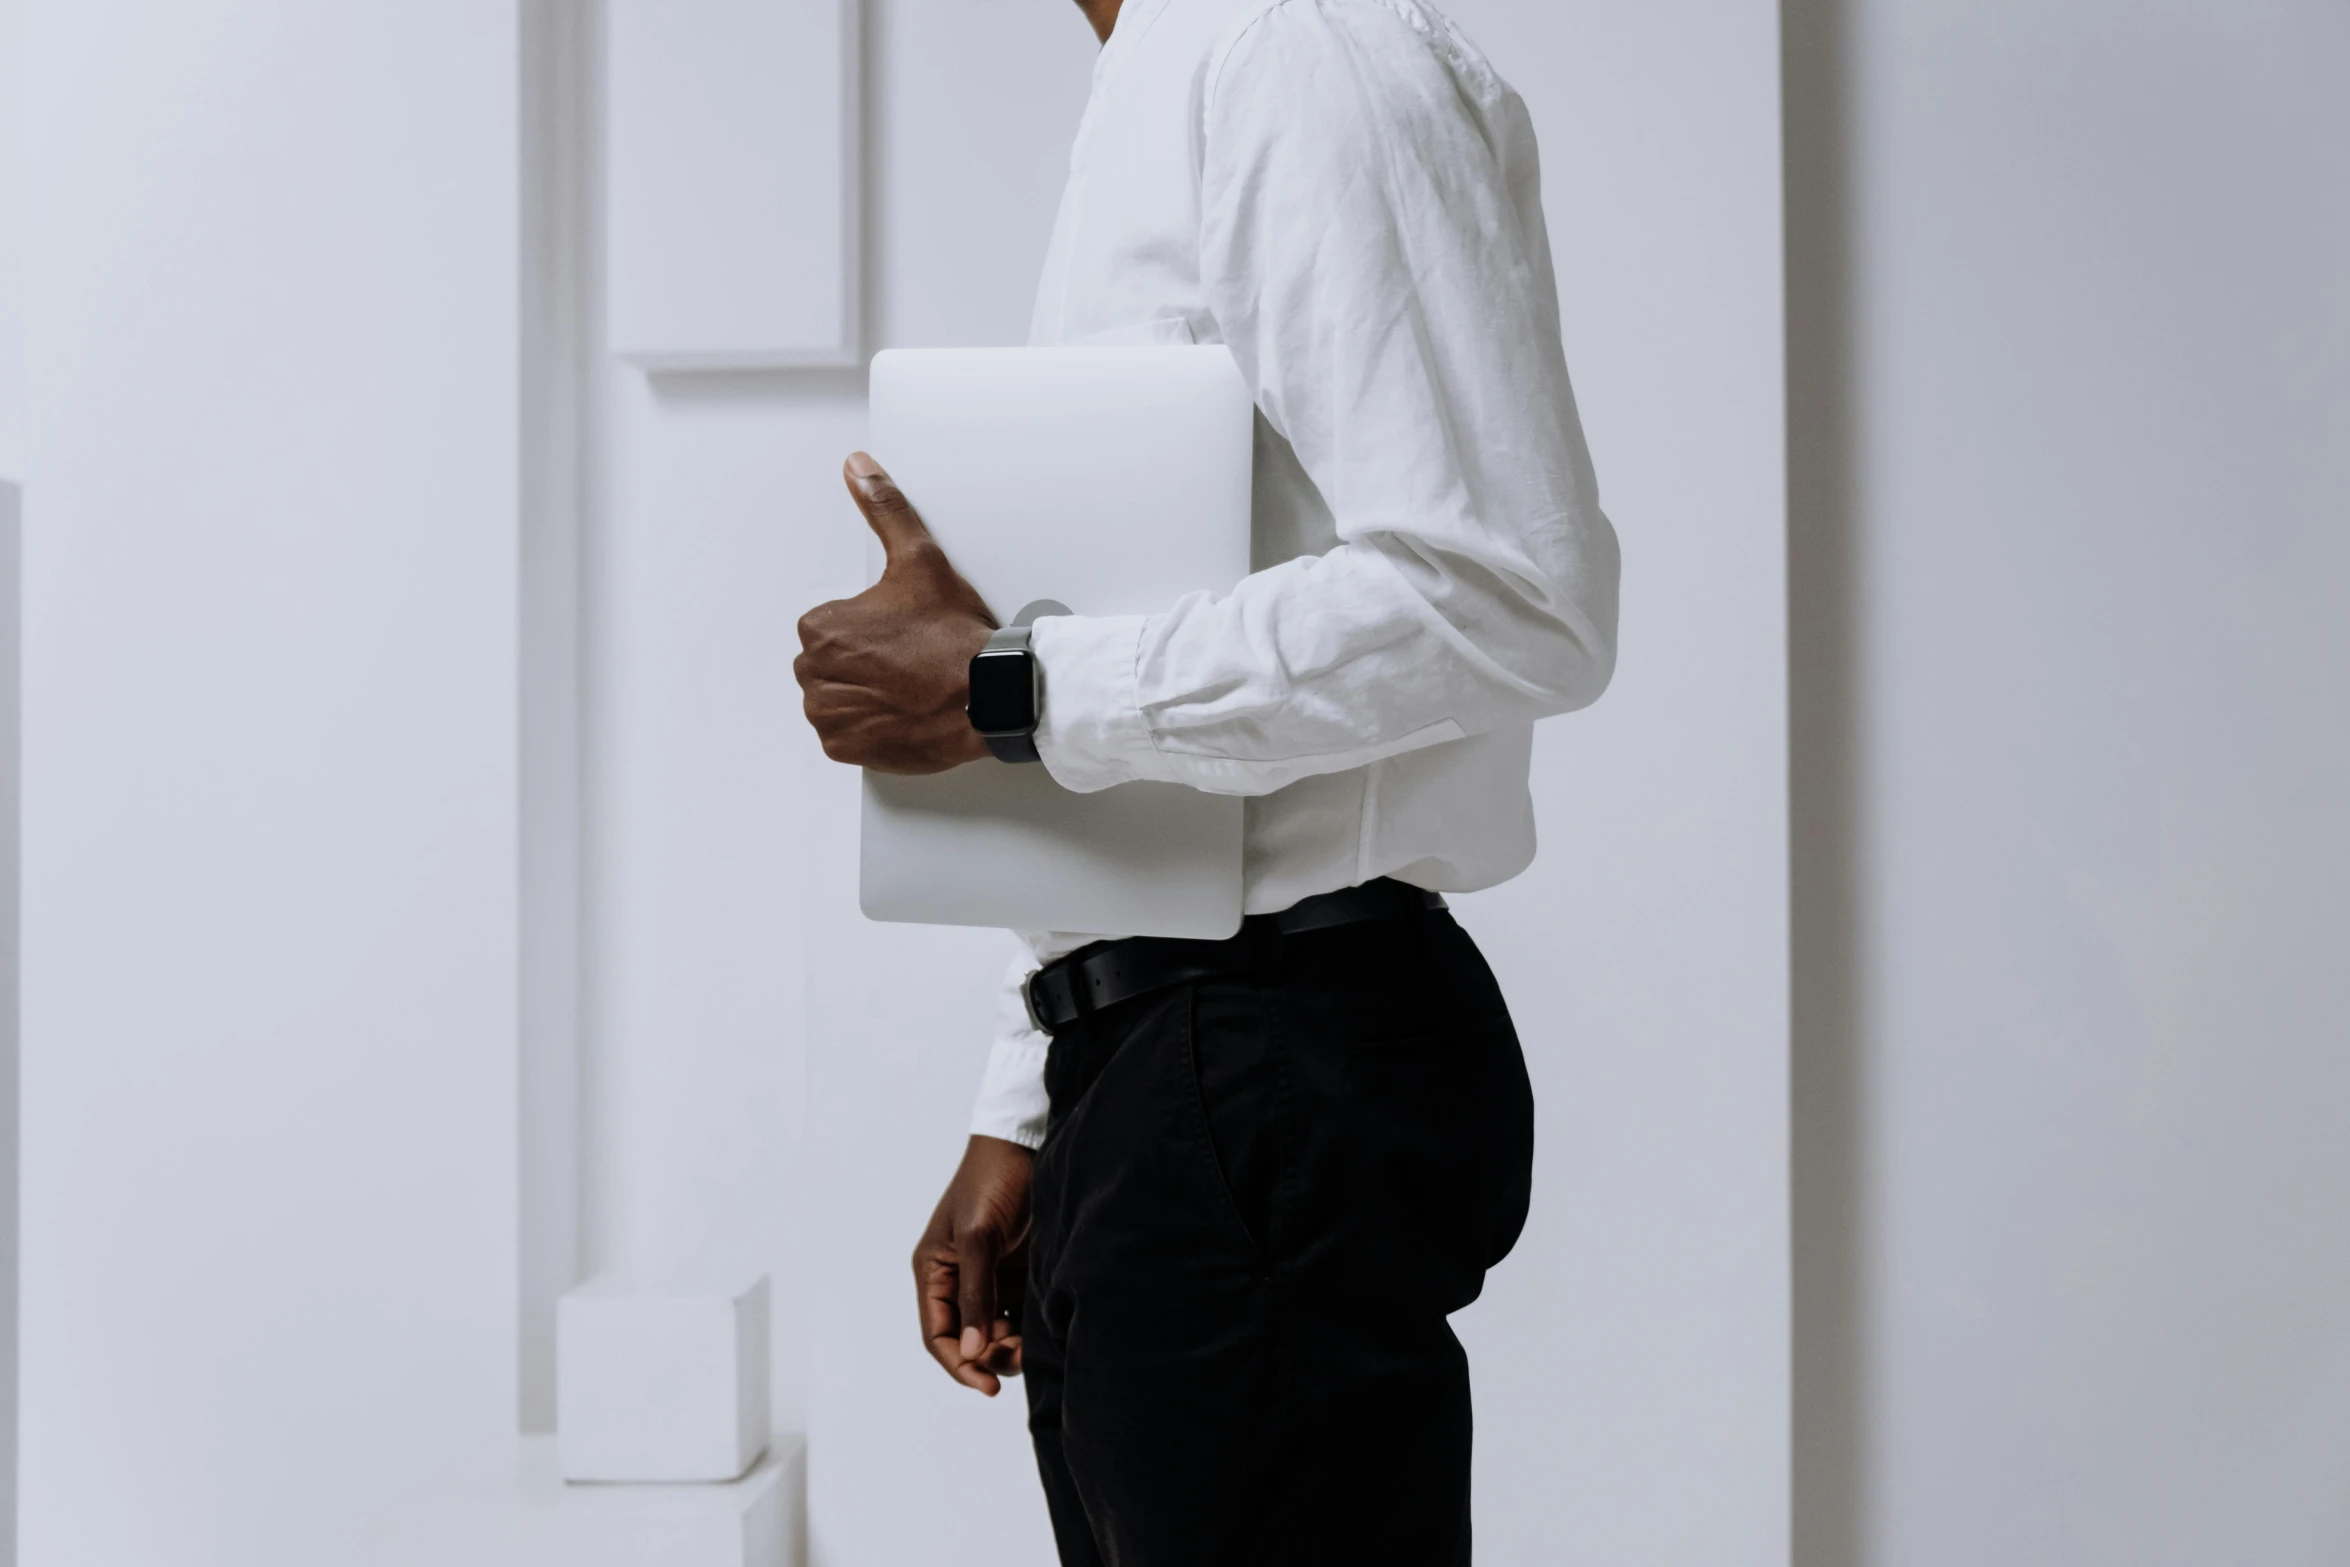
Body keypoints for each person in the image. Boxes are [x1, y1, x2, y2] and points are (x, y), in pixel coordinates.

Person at [793, 0, 1619, 1558]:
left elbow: (1506, 596)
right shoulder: (1160, 78)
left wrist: (1000, 688)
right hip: (1162, 1060)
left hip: (1264, 1056)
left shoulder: (1291, 51)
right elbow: (1151, 653)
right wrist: (1025, 1103)